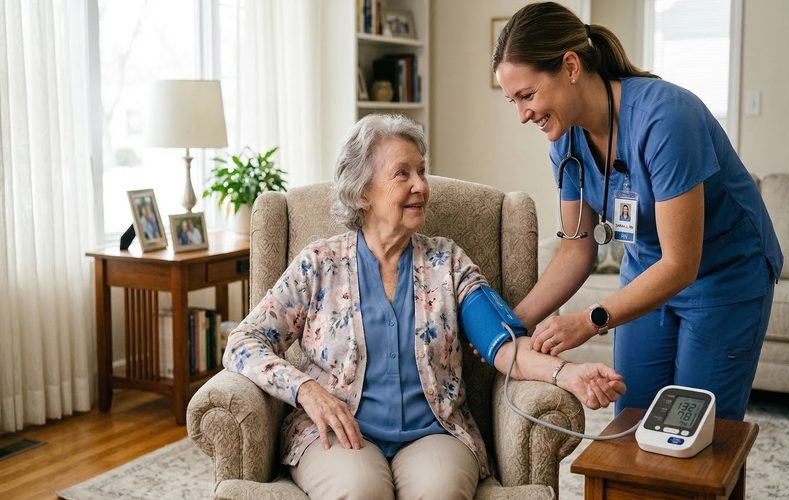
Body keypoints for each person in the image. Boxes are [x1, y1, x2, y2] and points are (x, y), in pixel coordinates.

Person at [223, 114, 626, 499]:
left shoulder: (448, 263)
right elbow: (243, 342)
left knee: (441, 491)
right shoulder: (319, 264)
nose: (420, 184)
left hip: (434, 433)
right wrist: (306, 390)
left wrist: (569, 374)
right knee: (359, 490)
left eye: (421, 170)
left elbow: (504, 346)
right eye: (402, 173)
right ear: (362, 190)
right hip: (338, 431)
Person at [492, 2, 783, 420]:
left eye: (527, 95)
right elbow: (576, 251)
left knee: (696, 428)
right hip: (646, 270)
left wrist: (589, 320)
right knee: (632, 418)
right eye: (512, 101)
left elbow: (682, 264)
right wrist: (512, 322)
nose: (522, 115)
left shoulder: (666, 118)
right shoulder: (565, 146)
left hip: (724, 275)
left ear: (571, 66)